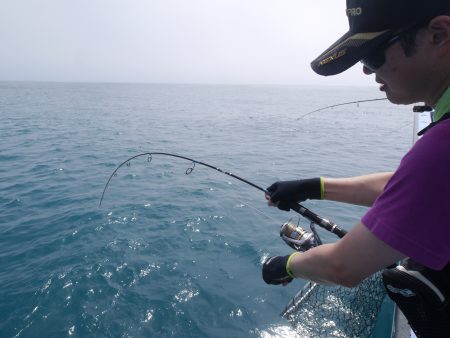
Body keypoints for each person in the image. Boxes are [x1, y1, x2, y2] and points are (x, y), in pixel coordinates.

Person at [262, 1, 450, 337]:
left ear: (439, 34)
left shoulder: (443, 147)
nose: (366, 72)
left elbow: (343, 267)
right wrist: (314, 187)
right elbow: (418, 187)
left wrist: (285, 265)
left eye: (374, 55)